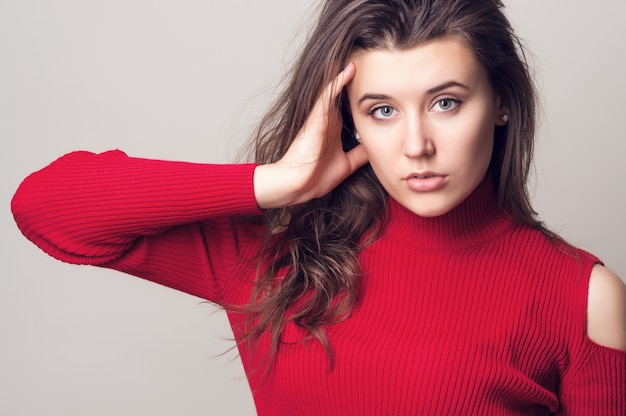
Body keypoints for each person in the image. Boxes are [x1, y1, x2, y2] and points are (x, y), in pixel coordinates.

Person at [11, 0, 626, 414]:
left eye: (446, 102)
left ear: (502, 102)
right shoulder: (279, 253)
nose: (416, 145)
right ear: (349, 121)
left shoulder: (581, 297)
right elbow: (44, 207)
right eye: (382, 110)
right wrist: (277, 183)